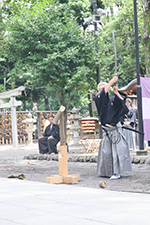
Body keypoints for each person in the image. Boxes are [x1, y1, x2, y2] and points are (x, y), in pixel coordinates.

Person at [95, 75, 132, 179]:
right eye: (101, 89)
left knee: (118, 152)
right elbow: (103, 93)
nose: (103, 91)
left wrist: (116, 93)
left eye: (104, 88)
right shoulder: (98, 99)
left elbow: (122, 107)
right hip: (106, 130)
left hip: (115, 129)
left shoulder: (112, 99)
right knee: (106, 153)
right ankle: (106, 172)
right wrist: (112, 81)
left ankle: (117, 173)